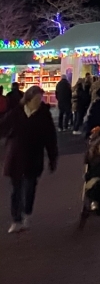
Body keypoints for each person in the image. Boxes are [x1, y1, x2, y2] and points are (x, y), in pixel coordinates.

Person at [0, 85, 58, 233]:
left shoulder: (44, 115)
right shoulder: (16, 113)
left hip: (34, 156)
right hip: (16, 156)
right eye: (36, 99)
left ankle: (27, 213)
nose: (38, 102)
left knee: (30, 188)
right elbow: (3, 127)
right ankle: (16, 219)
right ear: (28, 99)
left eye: (40, 99)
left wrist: (52, 157)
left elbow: (50, 138)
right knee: (16, 189)